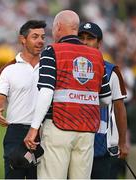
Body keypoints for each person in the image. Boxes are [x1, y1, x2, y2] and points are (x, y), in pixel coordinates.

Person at [24, 10, 111, 179]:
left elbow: (47, 92)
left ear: (57, 27)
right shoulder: (97, 56)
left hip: (59, 125)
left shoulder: (52, 51)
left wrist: (34, 128)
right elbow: (106, 99)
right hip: (87, 130)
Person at [0, 20, 46, 179]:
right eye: (35, 36)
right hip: (16, 133)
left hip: (45, 133)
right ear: (23, 39)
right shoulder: (9, 69)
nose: (40, 40)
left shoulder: (50, 67)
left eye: (42, 36)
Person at [78, 22, 128, 179]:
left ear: (99, 43)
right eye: (81, 38)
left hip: (102, 145)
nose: (84, 42)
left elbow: (120, 108)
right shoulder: (68, 67)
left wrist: (122, 142)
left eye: (90, 39)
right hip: (74, 143)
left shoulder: (111, 71)